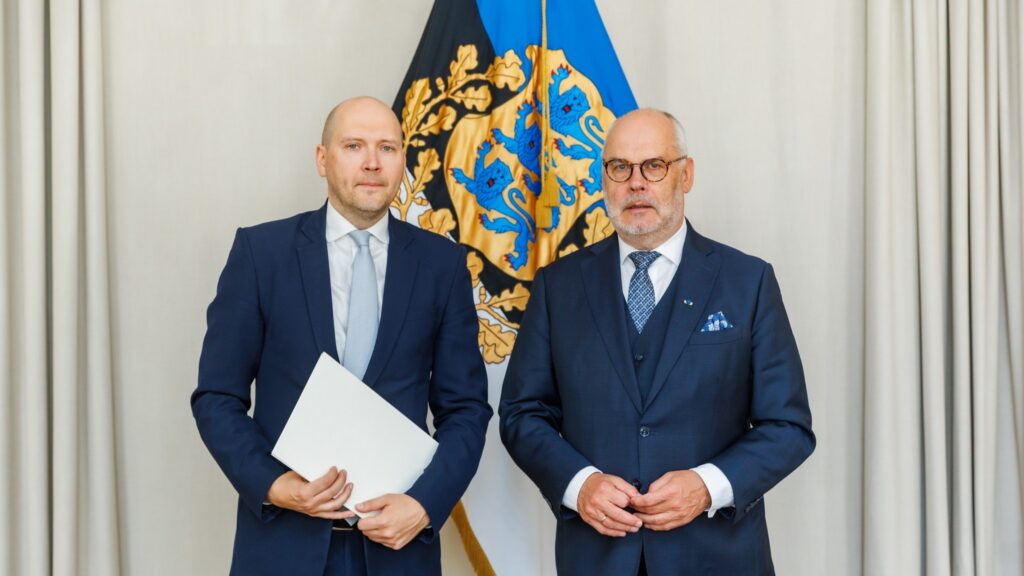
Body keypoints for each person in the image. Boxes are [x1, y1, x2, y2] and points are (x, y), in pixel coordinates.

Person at [499, 108, 814, 575]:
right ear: (603, 180)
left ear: (685, 175)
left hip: (719, 560)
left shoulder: (748, 282)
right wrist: (579, 485)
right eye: (620, 167)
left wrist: (707, 486)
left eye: (654, 166)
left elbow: (788, 427)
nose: (636, 183)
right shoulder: (557, 287)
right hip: (597, 558)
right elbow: (522, 414)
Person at [191, 96, 491, 576]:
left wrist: (423, 504)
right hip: (282, 547)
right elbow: (217, 396)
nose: (372, 162)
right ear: (322, 158)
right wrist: (274, 486)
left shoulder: (443, 265)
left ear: (403, 160)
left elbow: (466, 409)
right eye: (354, 146)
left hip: (398, 552)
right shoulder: (261, 254)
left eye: (387, 148)